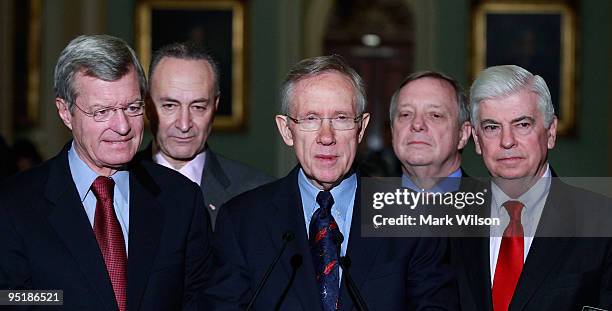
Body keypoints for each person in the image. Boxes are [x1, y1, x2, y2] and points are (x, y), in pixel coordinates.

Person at [206, 55, 458, 310]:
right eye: (311, 119)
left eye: (341, 118)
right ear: (286, 130)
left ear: (361, 128)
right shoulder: (242, 221)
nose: (326, 137)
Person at [0, 35, 213, 310]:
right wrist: (59, 298)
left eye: (132, 108)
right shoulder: (15, 204)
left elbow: (200, 301)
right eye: (102, 112)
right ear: (65, 112)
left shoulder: (181, 200)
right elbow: (9, 298)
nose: (122, 126)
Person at [451, 65, 612, 310]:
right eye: (492, 127)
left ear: (551, 132)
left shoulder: (602, 223)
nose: (507, 141)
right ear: (477, 140)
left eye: (522, 124)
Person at [137, 42, 273, 229]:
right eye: (170, 106)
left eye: (198, 107)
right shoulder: (115, 183)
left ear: (215, 106)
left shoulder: (257, 193)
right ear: (148, 106)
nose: (184, 124)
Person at [390, 71, 471, 192]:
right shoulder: (365, 205)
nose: (417, 124)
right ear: (393, 131)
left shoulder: (493, 207)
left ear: (462, 134)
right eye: (406, 114)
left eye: (435, 115)